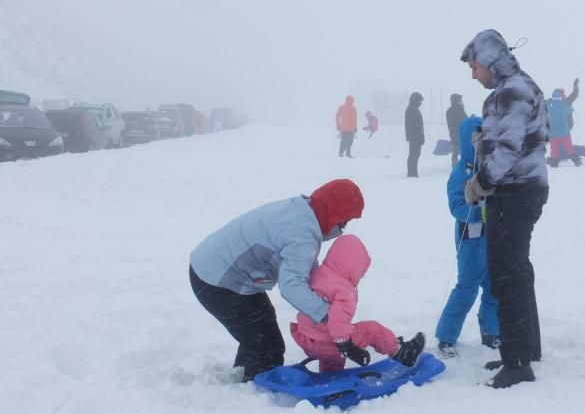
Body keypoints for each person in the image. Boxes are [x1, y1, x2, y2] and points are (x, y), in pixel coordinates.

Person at [189, 179, 364, 382]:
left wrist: (327, 299)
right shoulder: (303, 233)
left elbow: (303, 265)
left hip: (216, 270)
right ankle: (254, 393)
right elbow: (291, 285)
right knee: (267, 346)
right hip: (218, 281)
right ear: (334, 214)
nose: (342, 228)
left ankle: (243, 376)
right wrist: (328, 315)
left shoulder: (302, 213)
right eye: (344, 221)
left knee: (259, 328)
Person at [460, 29, 549, 389]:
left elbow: (510, 149)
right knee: (517, 270)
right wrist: (485, 139)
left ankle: (517, 364)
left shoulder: (512, 90)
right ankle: (525, 347)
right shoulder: (516, 87)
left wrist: (479, 182)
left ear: (491, 63)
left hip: (514, 193)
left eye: (475, 67)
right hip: (522, 190)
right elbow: (510, 138)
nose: (473, 75)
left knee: (506, 274)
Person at [289, 234, 425, 371]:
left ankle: (331, 374)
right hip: (326, 343)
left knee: (332, 341)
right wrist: (347, 347)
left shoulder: (317, 275)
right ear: (353, 269)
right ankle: (402, 353)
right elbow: (338, 321)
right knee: (373, 330)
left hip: (306, 338)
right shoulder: (342, 289)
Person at [434, 115, 499, 358]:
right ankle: (446, 337)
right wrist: (478, 213)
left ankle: (491, 331)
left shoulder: (491, 168)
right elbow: (455, 206)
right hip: (470, 239)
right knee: (467, 287)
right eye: (478, 140)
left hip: (492, 237)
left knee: (494, 287)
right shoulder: (461, 172)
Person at [546, 89, 582, 167]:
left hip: (553, 134)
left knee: (554, 151)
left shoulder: (549, 107)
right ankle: (577, 162)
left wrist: (547, 102)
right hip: (565, 133)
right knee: (570, 149)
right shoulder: (563, 107)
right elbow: (571, 110)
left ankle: (554, 164)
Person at [445, 93, 468, 167]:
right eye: (459, 100)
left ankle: (463, 165)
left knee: (464, 151)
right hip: (455, 134)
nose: (461, 101)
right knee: (456, 151)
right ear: (455, 101)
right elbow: (451, 125)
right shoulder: (450, 111)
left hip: (463, 134)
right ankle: (454, 166)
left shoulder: (461, 109)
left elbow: (466, 119)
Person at [405, 92, 424, 178]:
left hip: (415, 136)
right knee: (414, 155)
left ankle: (412, 173)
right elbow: (413, 125)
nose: (420, 103)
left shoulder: (412, 109)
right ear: (415, 100)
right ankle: (412, 173)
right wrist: (417, 136)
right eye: (419, 101)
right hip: (415, 137)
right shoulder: (412, 110)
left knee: (414, 155)